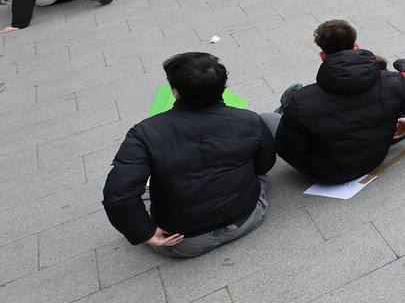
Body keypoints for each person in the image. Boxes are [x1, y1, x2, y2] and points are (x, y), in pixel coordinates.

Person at [102, 53, 276, 258]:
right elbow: (264, 165)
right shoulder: (249, 120)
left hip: (183, 242)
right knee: (259, 175)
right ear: (224, 87)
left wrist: (145, 232)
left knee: (145, 192)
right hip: (246, 219)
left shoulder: (145, 133)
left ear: (175, 92)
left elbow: (118, 196)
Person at [272, 19, 405, 184]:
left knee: (271, 119)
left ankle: (282, 110)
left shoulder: (302, 101)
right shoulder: (393, 81)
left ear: (323, 56)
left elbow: (285, 148)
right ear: (356, 46)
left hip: (326, 174)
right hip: (374, 159)